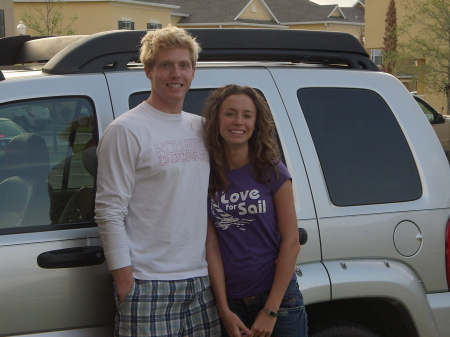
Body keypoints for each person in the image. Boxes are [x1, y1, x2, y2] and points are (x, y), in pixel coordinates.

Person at [95, 26, 220, 337]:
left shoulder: (202, 129)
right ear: (148, 71)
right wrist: (126, 283)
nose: (175, 73)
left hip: (202, 283)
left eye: (183, 65)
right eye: (165, 65)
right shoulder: (126, 130)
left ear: (193, 72)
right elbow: (109, 210)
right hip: (148, 284)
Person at [203, 84, 308, 337]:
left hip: (278, 302)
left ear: (256, 122)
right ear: (217, 118)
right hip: (233, 304)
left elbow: (291, 242)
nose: (238, 121)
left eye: (247, 115)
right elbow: (212, 248)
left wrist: (270, 311)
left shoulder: (272, 171)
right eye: (230, 113)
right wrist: (224, 309)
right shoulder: (208, 175)